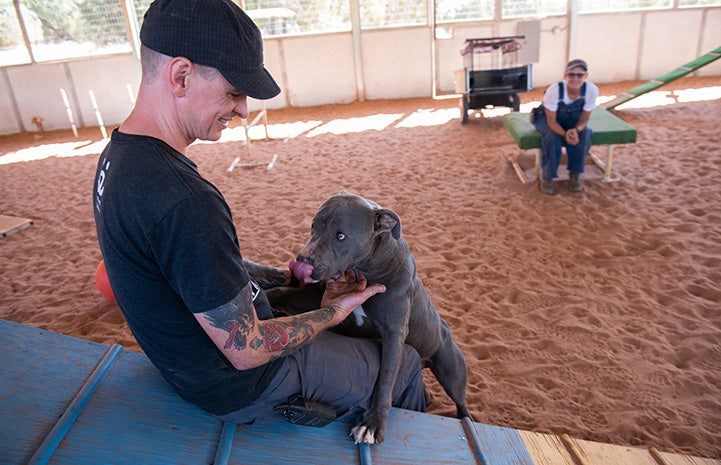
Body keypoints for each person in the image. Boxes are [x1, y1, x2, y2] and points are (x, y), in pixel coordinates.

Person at [92, 0, 426, 426]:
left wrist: (281, 278)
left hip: (187, 363)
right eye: (234, 92)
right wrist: (333, 312)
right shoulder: (186, 200)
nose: (244, 109)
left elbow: (187, 268)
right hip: (242, 383)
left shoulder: (118, 157)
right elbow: (247, 349)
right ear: (180, 76)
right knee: (410, 363)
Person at [532, 59, 599, 195]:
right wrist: (565, 134)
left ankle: (575, 174)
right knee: (551, 137)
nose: (575, 78)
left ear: (586, 76)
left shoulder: (591, 90)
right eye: (571, 74)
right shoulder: (554, 90)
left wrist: (576, 130)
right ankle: (548, 177)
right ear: (565, 75)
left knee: (586, 133)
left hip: (572, 120)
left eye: (579, 75)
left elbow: (585, 118)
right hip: (546, 117)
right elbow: (551, 122)